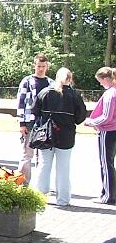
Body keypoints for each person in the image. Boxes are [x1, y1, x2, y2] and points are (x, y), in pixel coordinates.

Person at [30, 67, 87, 207]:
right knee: (63, 168)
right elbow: (80, 117)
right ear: (70, 79)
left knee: (44, 165)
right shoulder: (74, 95)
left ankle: (39, 196)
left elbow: (35, 110)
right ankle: (63, 199)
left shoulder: (45, 92)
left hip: (46, 135)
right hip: (66, 135)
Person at [16, 53, 53, 182]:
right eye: (38, 66)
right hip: (30, 121)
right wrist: (21, 123)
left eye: (43, 66)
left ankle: (40, 184)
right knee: (27, 153)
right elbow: (20, 102)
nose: (41, 69)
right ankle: (23, 182)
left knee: (43, 155)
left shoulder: (51, 83)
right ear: (34, 66)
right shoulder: (27, 81)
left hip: (45, 123)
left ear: (47, 66)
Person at [84, 67, 116, 204]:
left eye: (100, 81)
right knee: (110, 163)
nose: (100, 83)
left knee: (106, 163)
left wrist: (90, 122)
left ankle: (108, 195)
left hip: (108, 131)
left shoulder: (110, 94)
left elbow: (106, 117)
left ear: (106, 79)